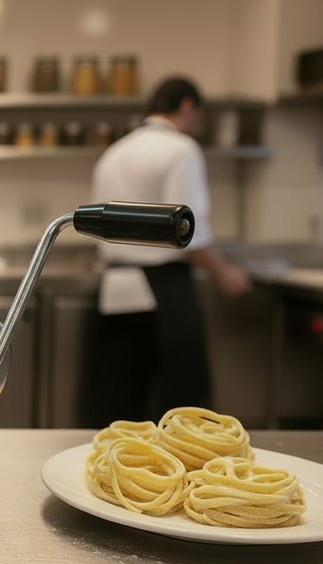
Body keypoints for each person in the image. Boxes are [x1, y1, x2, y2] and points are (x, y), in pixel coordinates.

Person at [86, 75, 251, 427]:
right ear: (187, 106)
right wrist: (224, 274)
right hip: (162, 285)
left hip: (115, 285)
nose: (196, 125)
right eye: (198, 117)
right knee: (181, 407)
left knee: (119, 402)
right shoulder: (181, 149)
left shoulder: (115, 151)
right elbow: (187, 232)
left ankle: (116, 472)